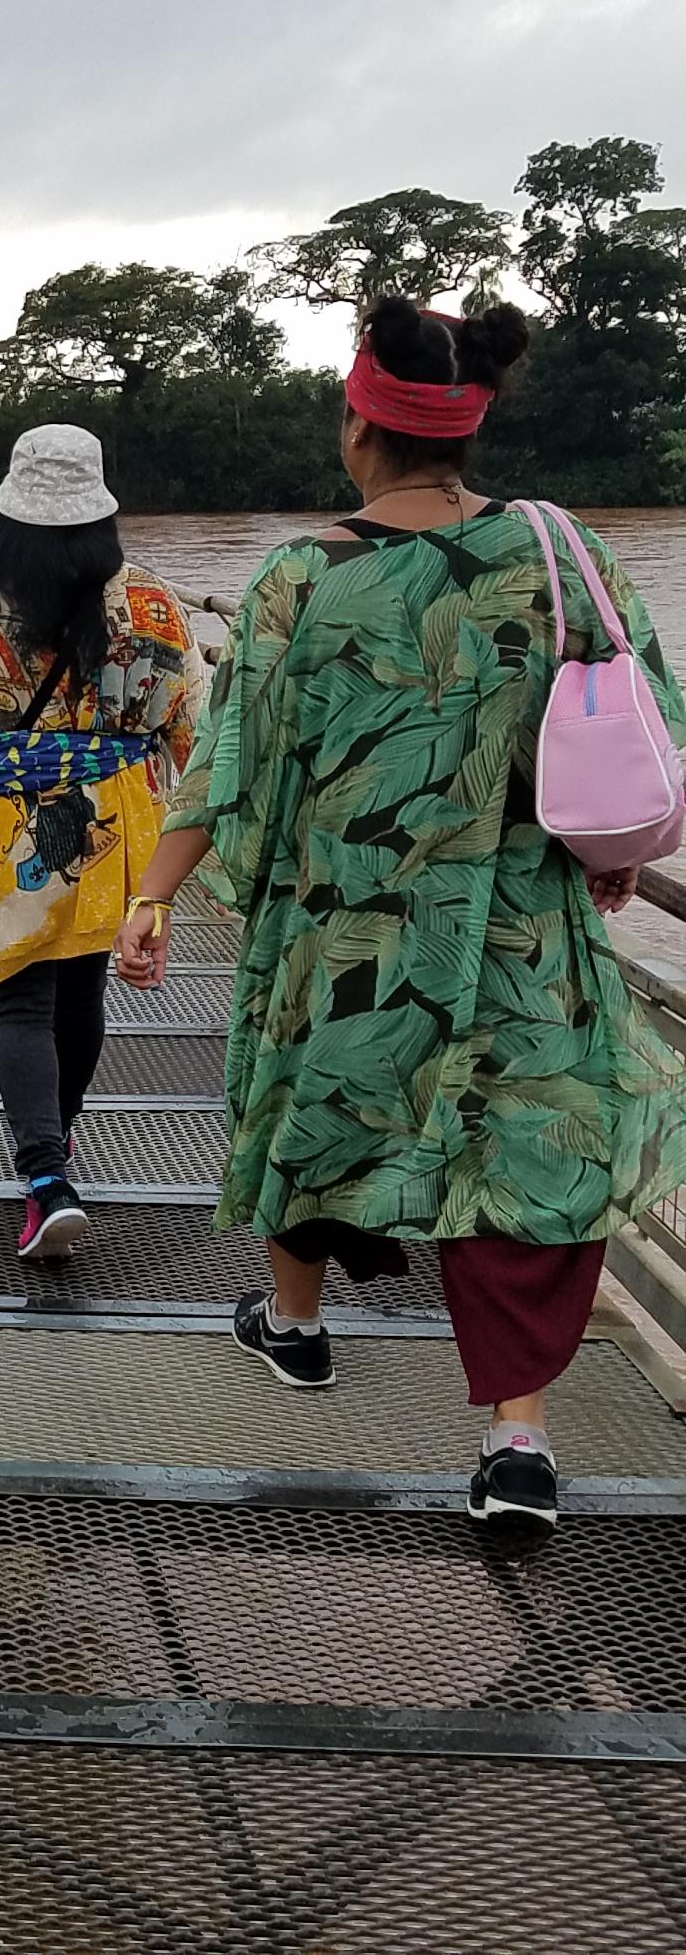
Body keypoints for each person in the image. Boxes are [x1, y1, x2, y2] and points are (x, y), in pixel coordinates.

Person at [118, 296, 686, 1534]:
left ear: (358, 425)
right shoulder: (564, 553)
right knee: (528, 1155)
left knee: (316, 1108)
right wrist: (605, 852)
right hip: (518, 925)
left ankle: (298, 1325)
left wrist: (154, 896)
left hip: (347, 925)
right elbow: (643, 723)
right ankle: (518, 1442)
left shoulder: (302, 577)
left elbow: (227, 762)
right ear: (469, 427)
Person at [0, 423, 206, 1260]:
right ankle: (61, 1134)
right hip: (122, 819)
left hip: (15, 819)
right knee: (81, 991)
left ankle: (46, 1176)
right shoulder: (153, 600)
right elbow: (191, 726)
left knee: (20, 999)